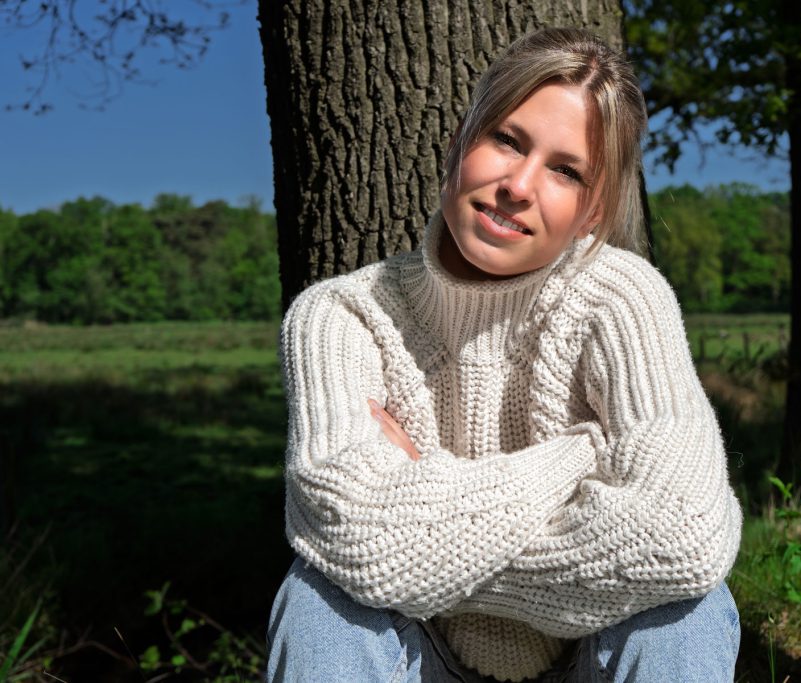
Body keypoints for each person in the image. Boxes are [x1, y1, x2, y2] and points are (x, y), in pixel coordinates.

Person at [266, 27, 743, 683]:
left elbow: (684, 533)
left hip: (587, 655)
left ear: (593, 210)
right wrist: (573, 460)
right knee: (320, 599)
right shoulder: (341, 316)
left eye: (565, 170)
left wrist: (421, 523)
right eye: (507, 141)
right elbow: (346, 530)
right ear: (459, 145)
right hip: (418, 654)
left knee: (686, 611)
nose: (518, 184)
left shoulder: (624, 299)